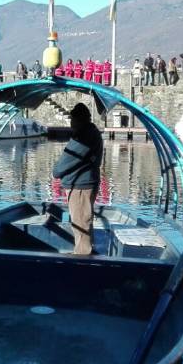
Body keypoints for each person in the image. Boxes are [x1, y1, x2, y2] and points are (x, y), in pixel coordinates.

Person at [51, 103, 103, 256]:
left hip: (80, 186)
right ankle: (86, 253)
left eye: (72, 119)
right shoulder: (91, 132)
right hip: (84, 184)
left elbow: (68, 159)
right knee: (83, 222)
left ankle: (82, 258)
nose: (71, 123)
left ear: (78, 119)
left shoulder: (84, 136)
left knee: (80, 225)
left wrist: (55, 173)